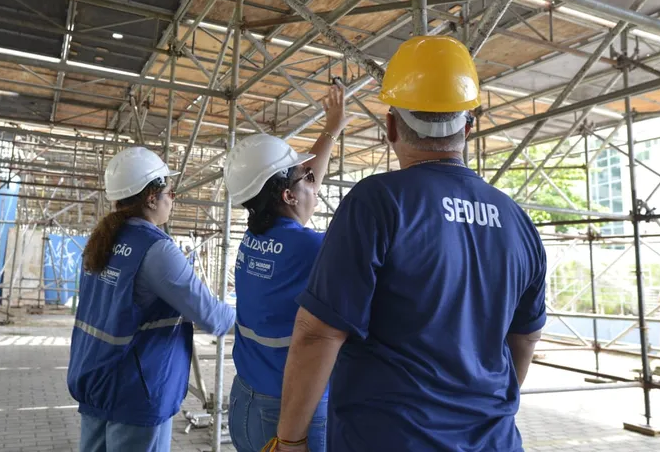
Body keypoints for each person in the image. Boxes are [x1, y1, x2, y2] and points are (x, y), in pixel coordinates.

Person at [263, 36, 547, 452]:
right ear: (468, 127)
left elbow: (317, 334)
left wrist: (290, 441)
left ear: (391, 126)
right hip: (494, 441)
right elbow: (524, 340)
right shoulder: (517, 219)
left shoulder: (377, 203)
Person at [67, 146, 235, 452]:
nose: (172, 199)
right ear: (151, 196)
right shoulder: (156, 250)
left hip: (96, 377)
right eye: (170, 192)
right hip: (136, 387)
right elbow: (210, 315)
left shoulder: (103, 240)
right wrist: (255, 317)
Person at [223, 83, 352, 452]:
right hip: (289, 413)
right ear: (288, 195)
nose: (316, 180)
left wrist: (333, 127)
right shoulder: (313, 247)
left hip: (245, 400)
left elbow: (303, 191)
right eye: (306, 177)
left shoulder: (254, 238)